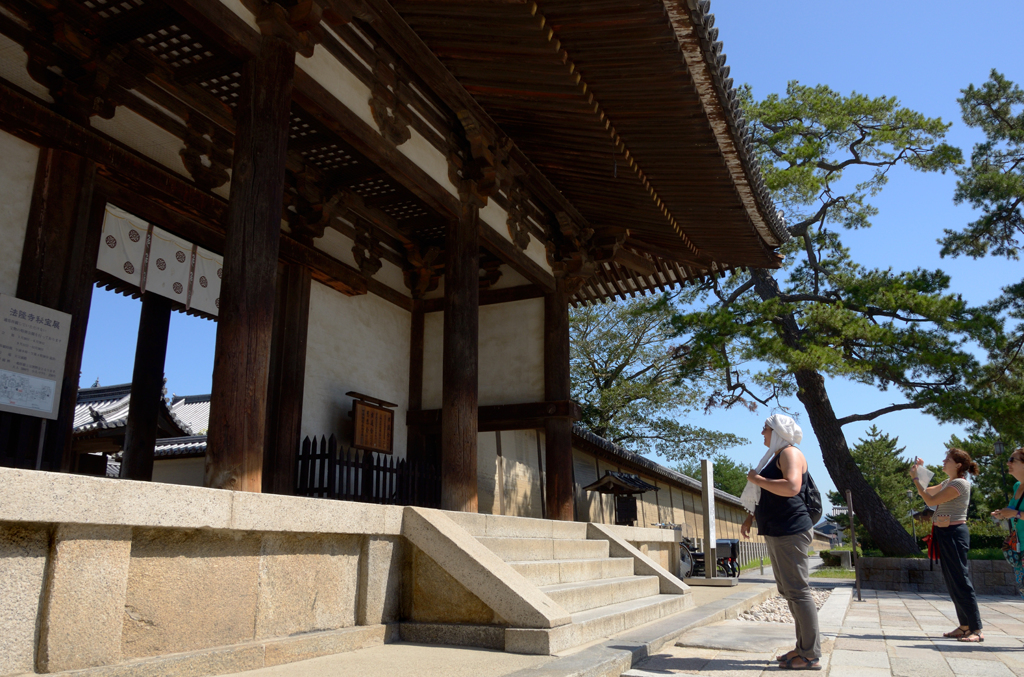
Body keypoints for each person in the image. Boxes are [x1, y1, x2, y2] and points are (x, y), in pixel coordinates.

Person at [741, 414, 820, 670]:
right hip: (778, 530)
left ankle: (809, 654)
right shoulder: (776, 455)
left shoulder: (789, 453)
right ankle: (802, 648)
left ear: (776, 431)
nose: (762, 433)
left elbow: (792, 487)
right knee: (789, 591)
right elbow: (768, 495)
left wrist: (757, 479)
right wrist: (750, 518)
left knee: (798, 590)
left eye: (765, 429)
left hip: (791, 529)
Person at [910, 449, 983, 642]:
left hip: (954, 533)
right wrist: (920, 470)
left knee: (961, 580)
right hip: (944, 533)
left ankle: (976, 629)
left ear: (958, 465)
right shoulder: (948, 482)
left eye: (947, 459)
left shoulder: (959, 483)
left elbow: (929, 500)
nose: (943, 461)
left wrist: (917, 480)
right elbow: (928, 491)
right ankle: (964, 625)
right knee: (952, 582)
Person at [990, 447, 1024, 599]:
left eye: (1012, 460)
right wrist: (1002, 514)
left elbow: (1016, 513)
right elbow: (1012, 511)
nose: (1008, 463)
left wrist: (1015, 514)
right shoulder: (1017, 486)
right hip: (1019, 548)